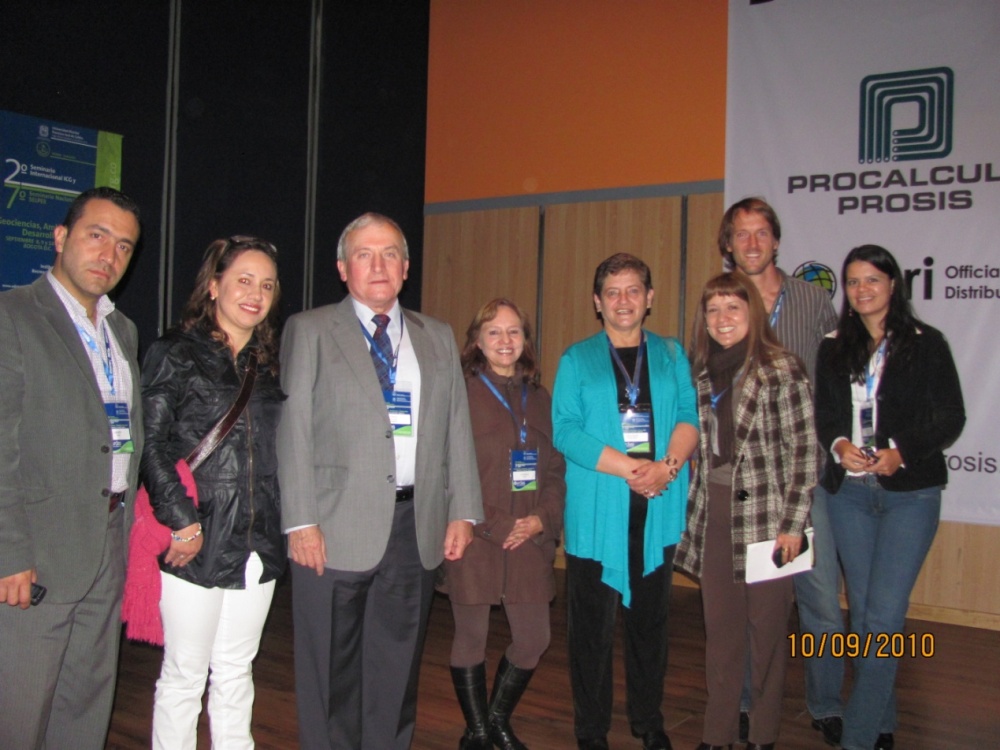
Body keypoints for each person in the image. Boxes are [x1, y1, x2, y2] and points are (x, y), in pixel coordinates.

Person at [277, 212, 484, 750]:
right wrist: (300, 521)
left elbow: (456, 427)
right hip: (331, 527)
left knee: (397, 665)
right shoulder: (310, 330)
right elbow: (293, 429)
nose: (378, 265)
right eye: (364, 254)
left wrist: (463, 510)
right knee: (331, 669)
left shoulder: (436, 335)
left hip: (414, 526)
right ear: (342, 267)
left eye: (390, 253)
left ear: (406, 267)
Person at [0, 187, 143, 749]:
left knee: (84, 706)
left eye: (124, 246)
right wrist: (9, 552)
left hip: (107, 541)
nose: (109, 254)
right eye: (97, 235)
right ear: (61, 238)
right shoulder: (13, 316)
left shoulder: (121, 331)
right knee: (20, 714)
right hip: (38, 552)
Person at [814, 245, 964, 750]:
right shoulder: (833, 346)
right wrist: (840, 446)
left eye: (872, 280)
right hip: (849, 496)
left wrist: (900, 451)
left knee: (882, 618)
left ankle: (857, 737)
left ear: (893, 284)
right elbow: (826, 416)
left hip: (910, 495)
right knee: (863, 614)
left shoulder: (926, 343)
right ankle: (881, 722)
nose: (862, 290)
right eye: (854, 281)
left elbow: (951, 417)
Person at [140, 236, 286, 749]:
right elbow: (150, 444)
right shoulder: (175, 353)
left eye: (266, 285)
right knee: (185, 673)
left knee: (236, 668)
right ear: (213, 285)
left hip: (257, 539)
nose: (255, 294)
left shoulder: (267, 364)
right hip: (196, 536)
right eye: (243, 280)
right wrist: (182, 520)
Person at [552, 253, 699, 750]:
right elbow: (565, 431)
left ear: (649, 297)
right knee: (591, 632)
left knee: (650, 626)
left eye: (633, 290)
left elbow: (689, 417)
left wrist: (667, 467)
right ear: (597, 302)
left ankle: (648, 721)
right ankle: (591, 730)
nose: (623, 300)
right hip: (597, 511)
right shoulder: (576, 359)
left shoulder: (672, 354)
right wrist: (632, 469)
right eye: (612, 292)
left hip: (657, 507)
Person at [718, 196, 842, 745]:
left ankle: (826, 703)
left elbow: (837, 379)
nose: (751, 243)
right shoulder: (721, 302)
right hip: (747, 485)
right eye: (740, 234)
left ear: (776, 240)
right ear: (728, 244)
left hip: (804, 479)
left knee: (820, 602)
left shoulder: (813, 301)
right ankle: (748, 703)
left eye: (761, 232)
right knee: (755, 604)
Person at [675, 272, 818, 750]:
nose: (722, 318)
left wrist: (793, 526)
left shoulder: (782, 368)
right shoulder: (699, 375)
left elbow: (805, 452)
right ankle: (717, 734)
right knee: (721, 634)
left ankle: (762, 734)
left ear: (752, 312)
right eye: (713, 309)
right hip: (713, 515)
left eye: (733, 307)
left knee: (767, 636)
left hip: (769, 519)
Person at [445, 298, 566, 750]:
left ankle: (494, 720)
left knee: (534, 639)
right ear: (477, 341)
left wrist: (540, 519)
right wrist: (493, 523)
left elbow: (554, 469)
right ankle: (478, 733)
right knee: (470, 636)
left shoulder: (540, 397)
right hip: (475, 534)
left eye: (514, 331)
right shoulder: (459, 392)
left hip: (529, 535)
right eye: (493, 331)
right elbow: (446, 468)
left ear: (525, 340)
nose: (505, 340)